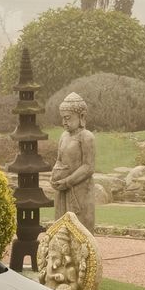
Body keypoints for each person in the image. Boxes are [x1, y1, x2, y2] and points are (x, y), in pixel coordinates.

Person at [48, 93, 98, 231]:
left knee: (81, 228)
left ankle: (83, 252)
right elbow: (59, 160)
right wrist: (54, 176)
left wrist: (68, 181)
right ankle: (62, 251)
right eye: (63, 118)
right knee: (61, 226)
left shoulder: (86, 137)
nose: (64, 122)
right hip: (62, 189)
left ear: (81, 116)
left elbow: (89, 167)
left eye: (68, 118)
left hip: (80, 189)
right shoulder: (64, 136)